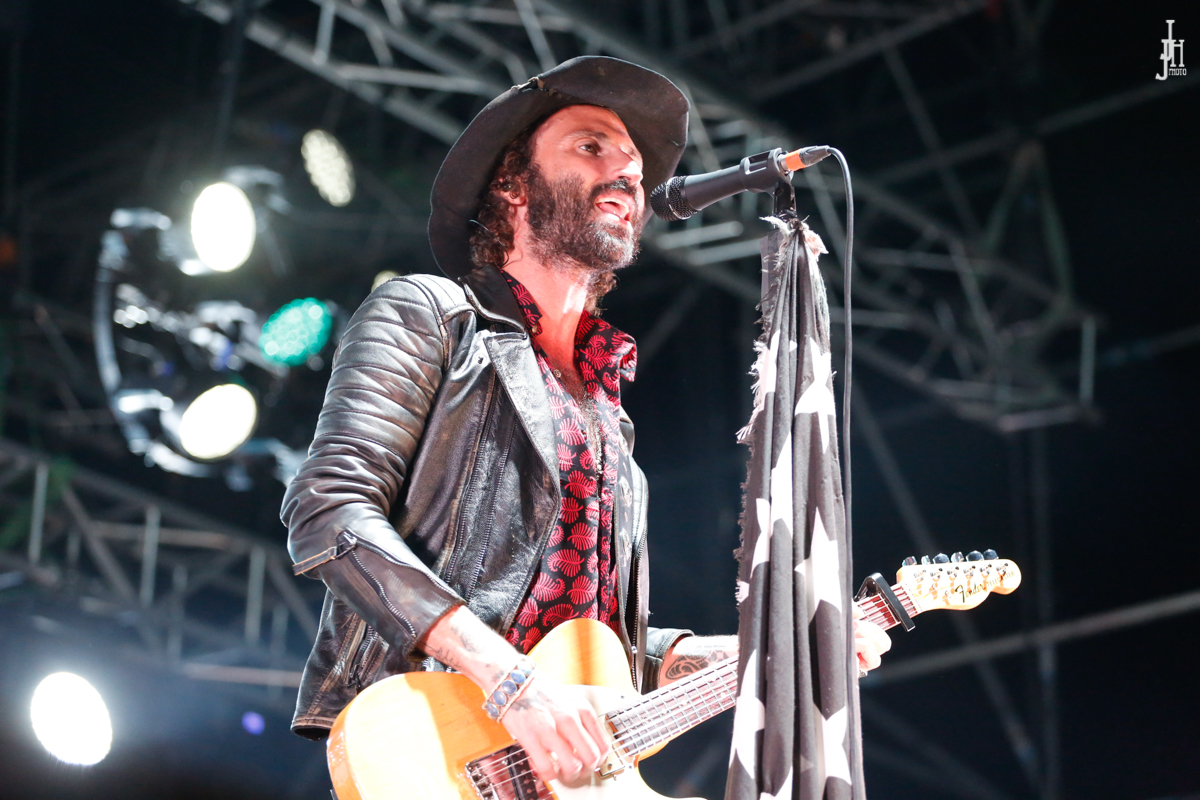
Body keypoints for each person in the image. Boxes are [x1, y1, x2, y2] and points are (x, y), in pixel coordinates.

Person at [282, 56, 891, 785]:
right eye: (591, 146)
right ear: (512, 186)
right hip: (434, 746)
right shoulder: (431, 314)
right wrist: (513, 685)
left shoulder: (606, 409)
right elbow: (329, 509)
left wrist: (750, 654)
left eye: (633, 161)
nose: (628, 171)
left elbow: (594, 644)